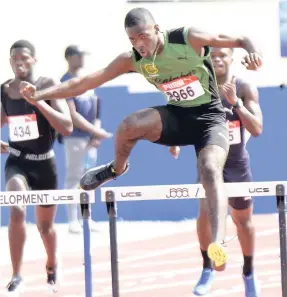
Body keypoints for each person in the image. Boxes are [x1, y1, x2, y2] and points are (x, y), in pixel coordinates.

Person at [20, 7, 263, 270]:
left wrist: (252, 52)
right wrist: (41, 95)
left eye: (143, 37)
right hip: (178, 117)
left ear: (157, 29)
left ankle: (218, 244)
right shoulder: (133, 59)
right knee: (128, 125)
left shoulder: (187, 38)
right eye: (133, 40)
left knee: (209, 168)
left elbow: (239, 39)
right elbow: (88, 81)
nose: (140, 44)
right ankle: (116, 168)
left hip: (210, 118)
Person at [170, 47, 262, 296]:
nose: (218, 59)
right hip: (209, 163)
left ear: (231, 58)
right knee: (204, 215)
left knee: (243, 221)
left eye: (223, 55)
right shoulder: (199, 89)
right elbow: (179, 118)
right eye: (213, 56)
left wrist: (237, 104)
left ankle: (249, 271)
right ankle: (207, 268)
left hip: (237, 164)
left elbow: (257, 128)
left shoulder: (244, 87)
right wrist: (174, 140)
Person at [0, 40, 73, 293]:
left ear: (34, 60)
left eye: (24, 57)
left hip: (45, 165)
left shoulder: (47, 84)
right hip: (17, 162)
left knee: (45, 227)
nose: (19, 61)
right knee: (17, 208)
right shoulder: (5, 89)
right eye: (14, 58)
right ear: (10, 63)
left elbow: (67, 126)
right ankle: (17, 275)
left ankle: (52, 264)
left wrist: (38, 101)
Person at [60, 45, 112, 234]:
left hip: (90, 140)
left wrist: (96, 133)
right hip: (74, 138)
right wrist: (95, 132)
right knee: (73, 177)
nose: (82, 59)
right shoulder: (65, 82)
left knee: (89, 178)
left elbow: (96, 109)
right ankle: (73, 221)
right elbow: (72, 115)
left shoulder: (87, 82)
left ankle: (87, 218)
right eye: (79, 55)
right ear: (70, 58)